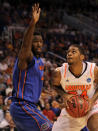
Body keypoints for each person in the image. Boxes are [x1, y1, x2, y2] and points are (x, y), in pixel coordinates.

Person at [10, 3, 52, 131]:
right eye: (35, 41)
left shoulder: (40, 62)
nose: (39, 44)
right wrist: (33, 23)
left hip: (31, 107)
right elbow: (25, 47)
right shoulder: (25, 59)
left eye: (40, 41)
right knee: (51, 128)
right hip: (22, 106)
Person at [52, 44, 98, 131]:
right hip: (72, 106)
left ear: (82, 57)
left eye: (73, 52)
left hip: (91, 103)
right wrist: (65, 95)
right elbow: (55, 85)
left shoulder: (93, 69)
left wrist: (92, 100)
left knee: (96, 128)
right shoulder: (59, 72)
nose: (69, 54)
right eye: (68, 52)